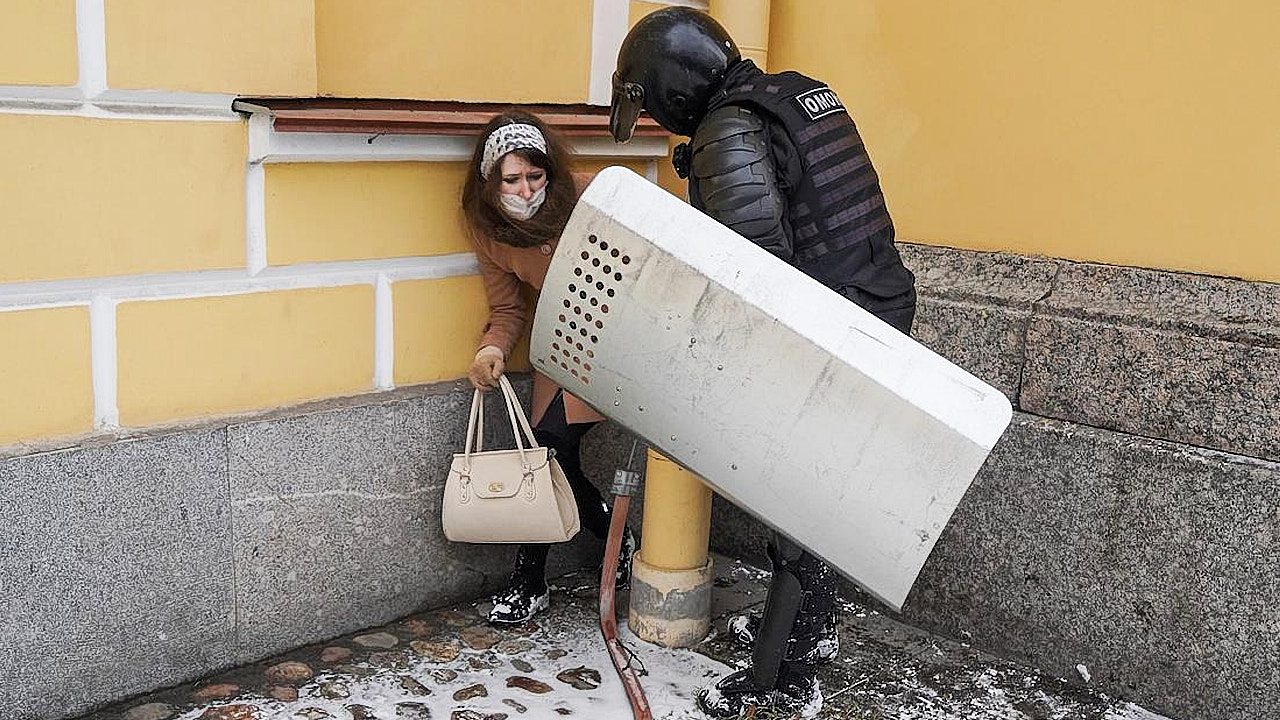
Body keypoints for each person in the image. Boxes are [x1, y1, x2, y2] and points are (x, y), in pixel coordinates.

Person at [610, 8, 917, 718]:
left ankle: (781, 676)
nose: (658, 120)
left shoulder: (730, 128)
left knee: (797, 502)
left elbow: (757, 276)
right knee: (820, 494)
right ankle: (811, 632)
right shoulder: (796, 92)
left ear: (674, 87)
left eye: (652, 106)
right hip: (873, 306)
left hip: (829, 329)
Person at [461, 110, 636, 626]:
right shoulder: (489, 229)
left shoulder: (589, 194)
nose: (525, 189)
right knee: (547, 455)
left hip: (615, 340)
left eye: (535, 176)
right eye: (511, 179)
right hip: (561, 344)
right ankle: (613, 536)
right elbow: (509, 309)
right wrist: (491, 349)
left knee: (549, 452)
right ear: (490, 180)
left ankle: (530, 578)